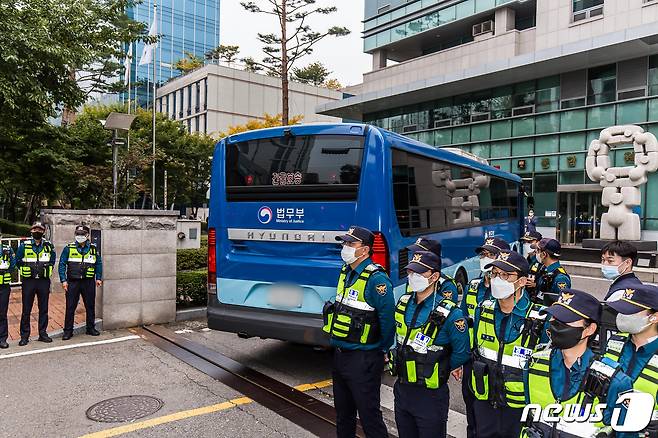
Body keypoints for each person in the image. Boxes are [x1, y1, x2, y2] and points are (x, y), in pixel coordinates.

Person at [522, 289, 632, 437]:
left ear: (589, 329)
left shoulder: (614, 381)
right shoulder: (534, 363)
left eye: (565, 319)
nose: (554, 323)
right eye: (554, 317)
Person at [322, 225, 395, 438]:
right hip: (340, 355)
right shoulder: (345, 272)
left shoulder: (377, 280)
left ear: (364, 250)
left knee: (369, 416)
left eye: (350, 244)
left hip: (364, 358)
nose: (345, 247)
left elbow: (387, 320)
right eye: (344, 243)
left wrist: (381, 350)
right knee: (343, 414)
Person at [392, 251, 470, 438]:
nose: (412, 277)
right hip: (402, 389)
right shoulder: (403, 303)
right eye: (410, 272)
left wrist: (438, 366)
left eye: (419, 273)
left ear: (434, 277)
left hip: (430, 394)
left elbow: (462, 352)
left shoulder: (451, 313)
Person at [469, 250, 546, 438]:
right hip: (485, 400)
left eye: (505, 275)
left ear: (521, 281)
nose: (497, 279)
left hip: (519, 406)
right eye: (494, 273)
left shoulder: (540, 318)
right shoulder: (483, 310)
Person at [460, 236, 510, 438]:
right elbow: (462, 323)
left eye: (491, 254)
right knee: (473, 414)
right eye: (483, 254)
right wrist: (461, 359)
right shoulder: (473, 286)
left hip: (502, 366)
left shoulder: (510, 290)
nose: (485, 259)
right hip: (474, 361)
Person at [604, 284, 658, 437]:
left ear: (655, 317)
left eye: (631, 311)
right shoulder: (613, 342)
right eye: (622, 310)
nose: (622, 315)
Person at [58, 225, 103, 339]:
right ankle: (68, 331)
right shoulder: (69, 248)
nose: (80, 236)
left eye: (82, 234)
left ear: (87, 235)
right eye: (78, 234)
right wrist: (63, 280)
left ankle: (90, 328)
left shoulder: (93, 248)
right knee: (70, 307)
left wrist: (98, 278)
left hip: (88, 282)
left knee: (90, 306)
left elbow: (98, 263)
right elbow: (62, 264)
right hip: (73, 282)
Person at [16, 222, 56, 346]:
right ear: (31, 231)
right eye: (35, 229)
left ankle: (43, 334)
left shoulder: (49, 246)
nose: (37, 231)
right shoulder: (24, 246)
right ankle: (24, 336)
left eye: (40, 229)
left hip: (43, 281)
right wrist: (26, 271)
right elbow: (18, 261)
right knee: (26, 310)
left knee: (43, 309)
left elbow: (52, 260)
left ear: (43, 232)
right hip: (29, 281)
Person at [406, 237, 459, 302]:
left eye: (420, 252)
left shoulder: (445, 284)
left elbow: (448, 309)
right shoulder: (413, 278)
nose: (415, 255)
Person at [533, 238, 571, 306]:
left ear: (544, 254)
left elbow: (561, 305)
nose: (536, 252)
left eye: (538, 250)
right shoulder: (544, 268)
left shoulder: (560, 278)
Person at [0, 240, 16, 349]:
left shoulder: (7, 249)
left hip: (4, 286)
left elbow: (13, 265)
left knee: (2, 313)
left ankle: (2, 339)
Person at [521, 231, 543, 303]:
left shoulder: (542, 259)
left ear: (538, 242)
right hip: (526, 296)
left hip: (538, 299)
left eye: (530, 241)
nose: (527, 244)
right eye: (525, 242)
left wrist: (536, 285)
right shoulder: (527, 259)